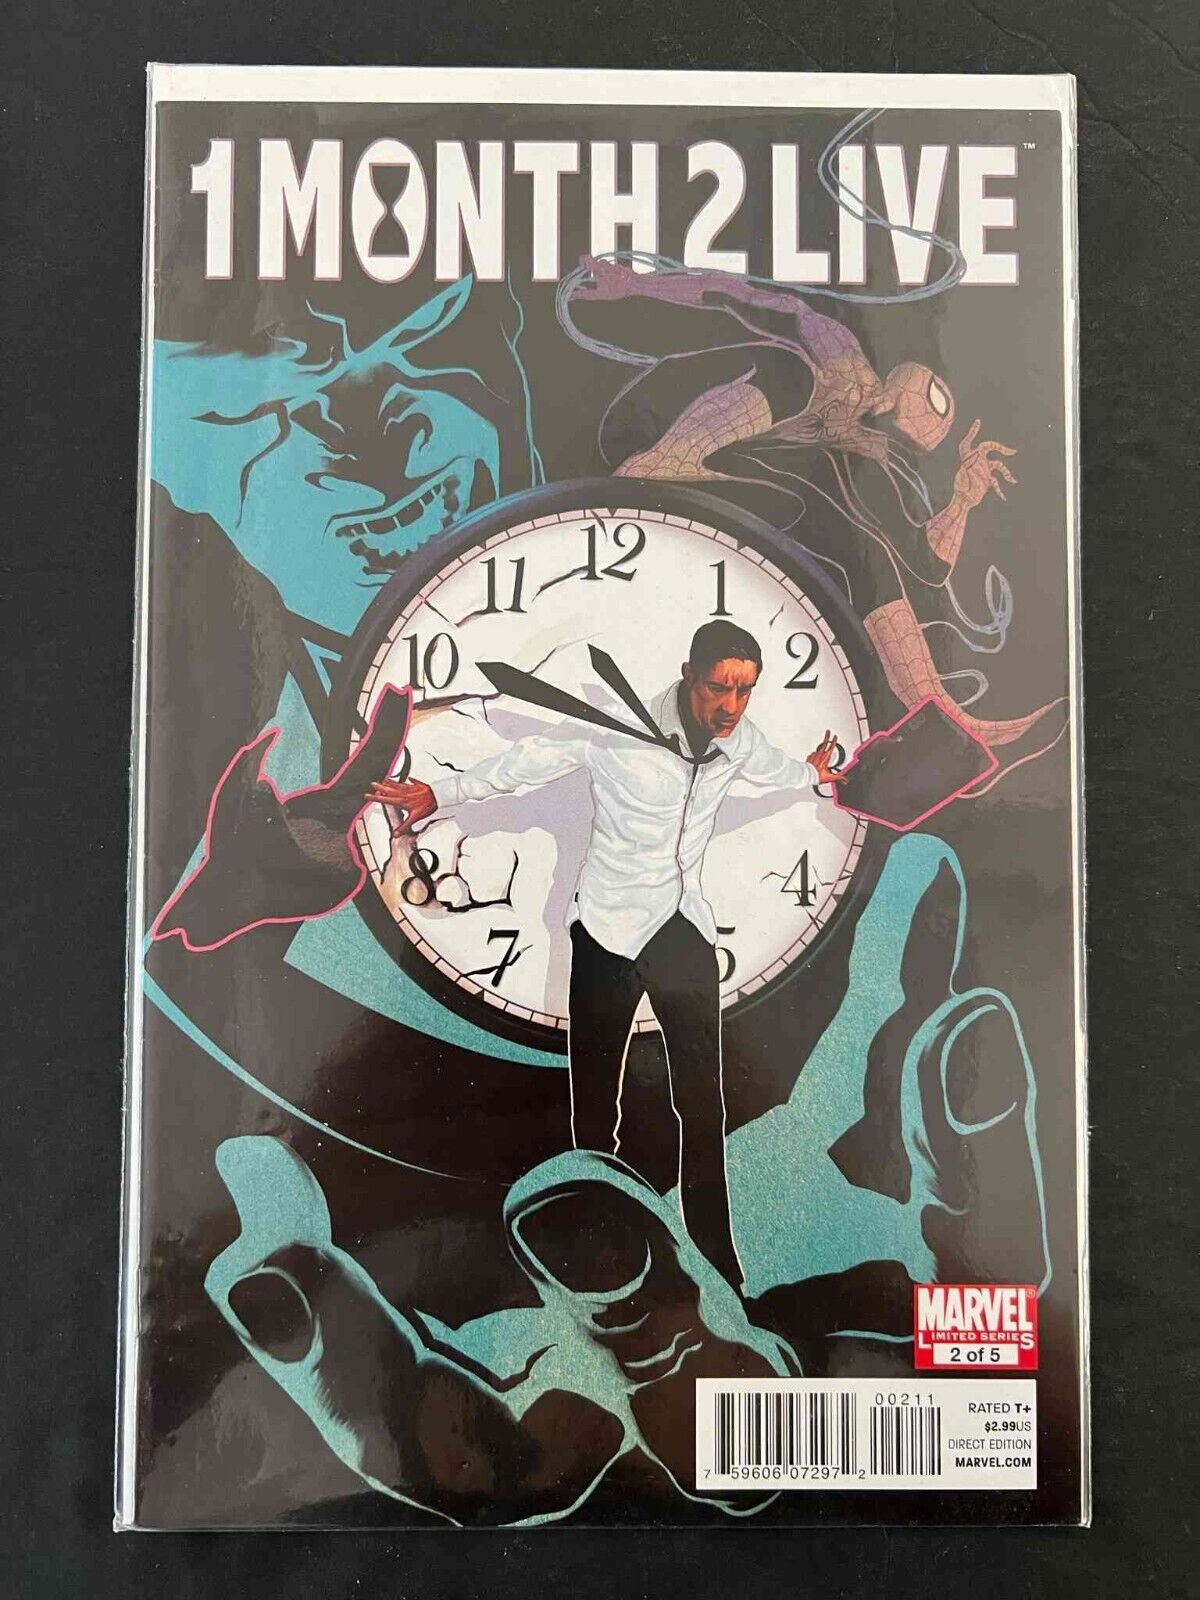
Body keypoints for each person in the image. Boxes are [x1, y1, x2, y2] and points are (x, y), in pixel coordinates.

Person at [371, 620, 842, 1289]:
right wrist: (440, 793)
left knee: (703, 1106)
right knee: (594, 1115)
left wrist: (811, 773)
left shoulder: (738, 740)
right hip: (607, 934)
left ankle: (718, 1264)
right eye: (719, 687)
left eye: (745, 691)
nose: (732, 706)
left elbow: (775, 769)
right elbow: (527, 761)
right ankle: (598, 1257)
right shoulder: (612, 729)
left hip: (682, 929)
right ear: (689, 675)